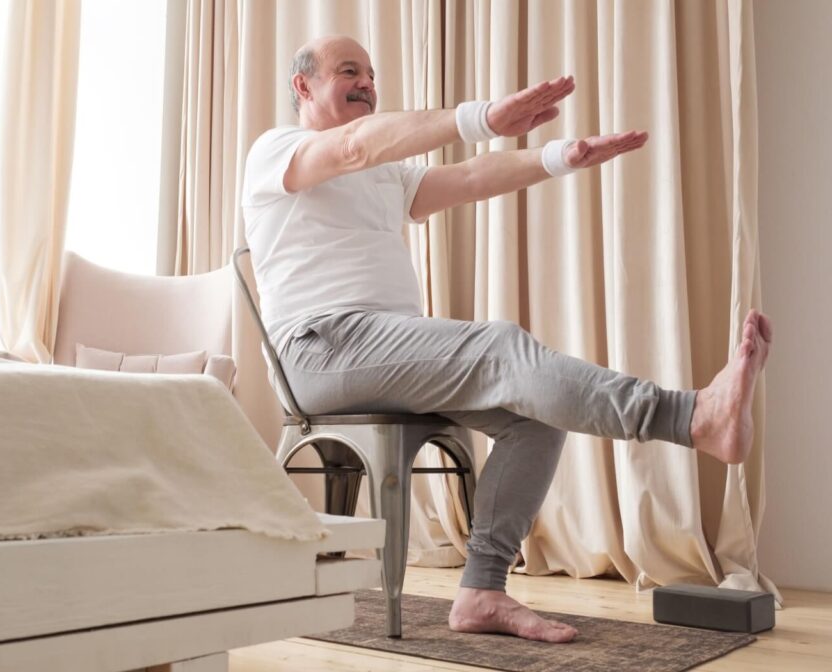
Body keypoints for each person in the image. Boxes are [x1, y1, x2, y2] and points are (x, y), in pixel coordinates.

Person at [241, 35, 772, 643]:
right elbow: (355, 145)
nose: (365, 82)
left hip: (384, 347)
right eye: (347, 71)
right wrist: (481, 117)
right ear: (303, 87)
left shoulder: (382, 172)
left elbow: (466, 177)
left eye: (370, 72)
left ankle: (481, 592)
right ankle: (690, 416)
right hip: (319, 348)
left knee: (534, 413)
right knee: (501, 347)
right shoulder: (278, 151)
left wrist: (559, 157)